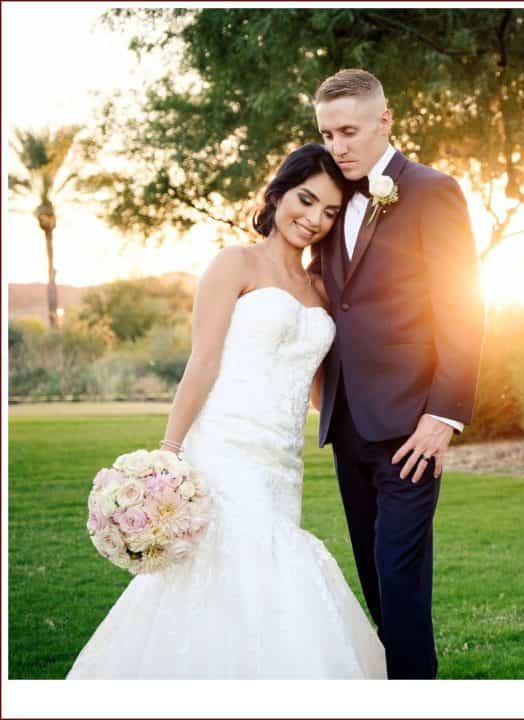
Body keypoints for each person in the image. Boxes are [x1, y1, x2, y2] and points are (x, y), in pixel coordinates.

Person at [67, 144, 386, 679]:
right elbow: (204, 360)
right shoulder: (235, 263)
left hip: (281, 460)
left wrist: (385, 421)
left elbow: (319, 390)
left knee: (264, 575)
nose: (313, 219)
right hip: (223, 447)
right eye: (306, 201)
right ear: (279, 192)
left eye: (330, 212)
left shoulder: (322, 290)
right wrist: (167, 454)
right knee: (239, 563)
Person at [308, 68, 484, 679]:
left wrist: (443, 417)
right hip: (347, 427)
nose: (339, 146)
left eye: (350, 131)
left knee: (400, 581)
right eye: (328, 134)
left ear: (386, 120)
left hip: (412, 430)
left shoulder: (433, 191)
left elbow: (462, 307)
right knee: (378, 587)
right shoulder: (330, 199)